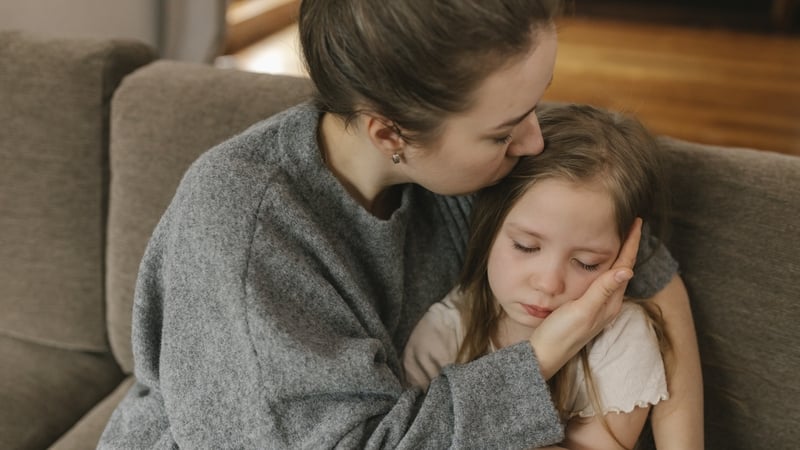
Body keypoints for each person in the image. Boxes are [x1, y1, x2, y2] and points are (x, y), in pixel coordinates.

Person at [99, 1, 702, 448]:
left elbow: (642, 266)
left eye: (536, 102)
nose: (534, 139)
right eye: (503, 130)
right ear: (390, 133)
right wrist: (541, 357)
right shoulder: (246, 233)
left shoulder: (487, 153)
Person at [403, 104, 701, 449]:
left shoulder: (622, 336)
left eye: (587, 263)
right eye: (526, 246)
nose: (548, 284)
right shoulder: (444, 330)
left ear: (624, 254)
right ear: (487, 229)